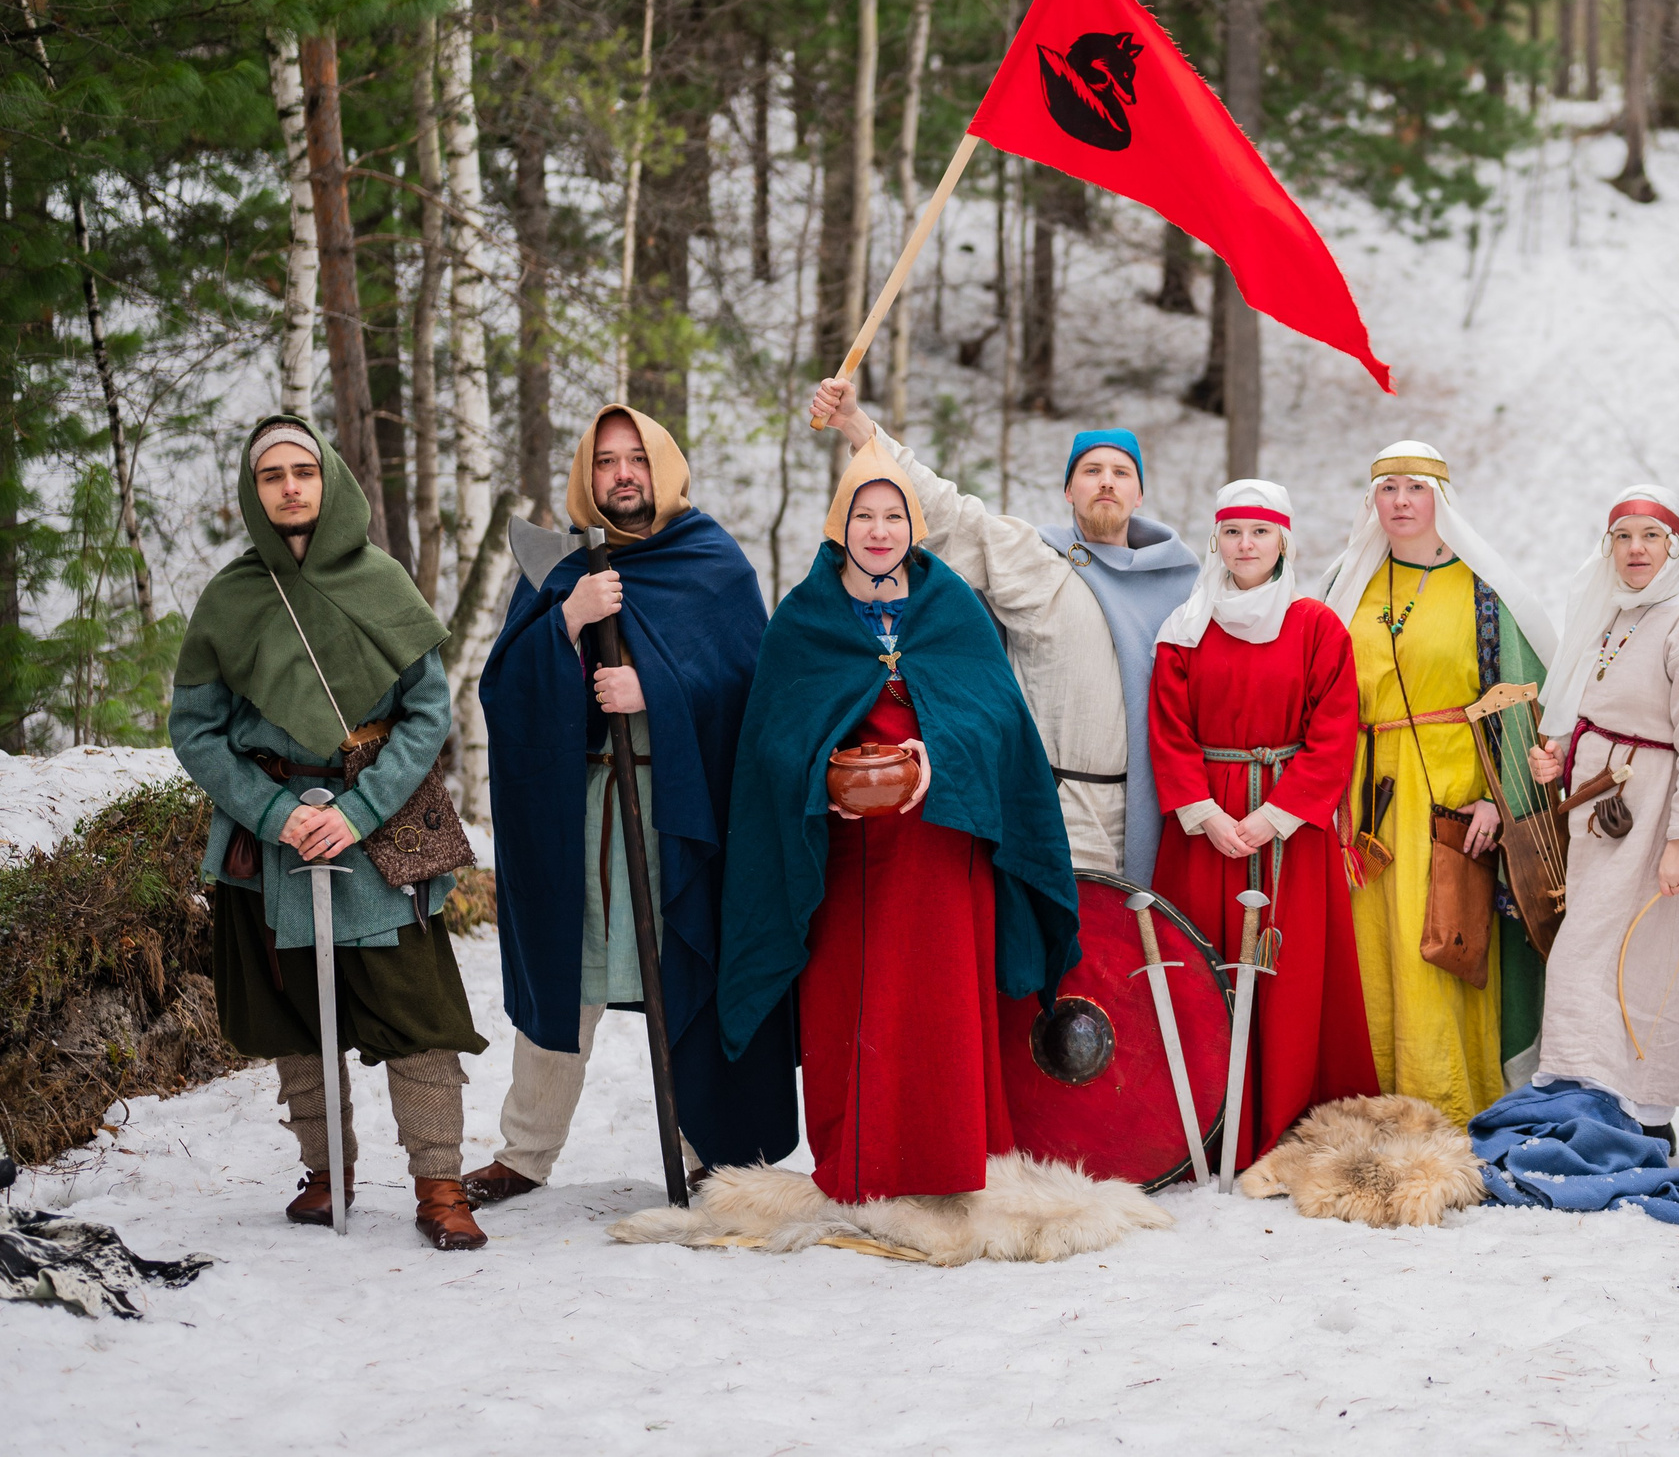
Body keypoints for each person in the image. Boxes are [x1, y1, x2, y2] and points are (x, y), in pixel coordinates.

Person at [716, 440, 1080, 1203]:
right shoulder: (803, 619)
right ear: (838, 523)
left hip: (940, 848)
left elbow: (999, 722)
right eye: (863, 514)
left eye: (893, 515)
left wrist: (933, 752)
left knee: (940, 1003)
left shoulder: (950, 607)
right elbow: (771, 740)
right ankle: (860, 1165)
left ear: (913, 524)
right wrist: (823, 775)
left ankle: (953, 1161)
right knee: (853, 1002)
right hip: (842, 855)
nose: (878, 530)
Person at [465, 405, 798, 1207]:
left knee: (688, 967)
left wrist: (658, 690)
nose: (622, 474)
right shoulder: (558, 571)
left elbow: (754, 692)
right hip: (583, 807)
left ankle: (707, 1150)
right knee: (564, 968)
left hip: (678, 810)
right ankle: (526, 1149)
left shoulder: (713, 564)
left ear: (663, 469)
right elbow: (503, 696)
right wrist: (567, 629)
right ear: (588, 476)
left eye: (636, 458)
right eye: (606, 460)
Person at [168, 416, 488, 1248]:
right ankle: (327, 1169)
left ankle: (439, 1179)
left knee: (419, 1017)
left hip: (375, 833)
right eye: (270, 474)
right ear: (255, 490)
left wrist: (355, 809)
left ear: (328, 477)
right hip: (270, 839)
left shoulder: (382, 582)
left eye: (301, 469)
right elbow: (196, 730)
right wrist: (278, 813)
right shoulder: (231, 599)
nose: (288, 486)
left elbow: (426, 714)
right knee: (296, 1019)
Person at [808, 381, 1196, 886]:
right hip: (1058, 802)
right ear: (1068, 490)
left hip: (1150, 808)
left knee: (1137, 954)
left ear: (1139, 492)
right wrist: (859, 427)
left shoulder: (1177, 584)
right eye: (1091, 471)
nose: (1106, 482)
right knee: (1066, 951)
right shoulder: (1037, 562)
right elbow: (947, 512)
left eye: (1121, 473)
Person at [1318, 440, 1558, 1125]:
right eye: (1387, 488)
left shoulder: (1486, 591)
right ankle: (1368, 1104)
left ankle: (1448, 1103)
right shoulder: (1347, 583)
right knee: (1369, 954)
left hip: (1454, 797)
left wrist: (1500, 799)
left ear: (1440, 501)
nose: (1400, 502)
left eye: (1415, 489)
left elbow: (1520, 697)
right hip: (1362, 798)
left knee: (1441, 946)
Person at [1148, 481, 1377, 1163]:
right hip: (1206, 830)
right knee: (1204, 971)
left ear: (1284, 541)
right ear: (1215, 540)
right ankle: (1208, 1124)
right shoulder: (1185, 627)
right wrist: (1206, 813)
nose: (1246, 546)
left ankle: (1284, 1118)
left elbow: (1336, 732)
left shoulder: (1316, 625)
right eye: (1233, 532)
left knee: (1291, 974)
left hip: (1288, 829)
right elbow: (1168, 728)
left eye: (1261, 532)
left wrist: (1274, 817)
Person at [1524, 487, 1679, 1154]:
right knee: (1597, 959)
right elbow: (1601, 709)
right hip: (1603, 811)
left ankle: (1644, 1114)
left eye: (1651, 535)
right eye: (1623, 536)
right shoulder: (1612, 616)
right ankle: (1598, 1103)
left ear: (1674, 547)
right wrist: (1562, 754)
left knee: (1637, 961)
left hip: (1655, 820)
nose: (1636, 548)